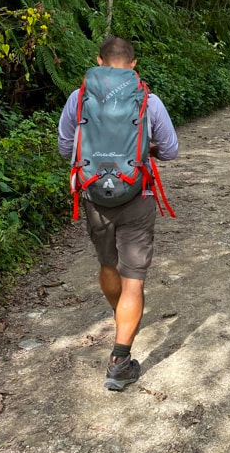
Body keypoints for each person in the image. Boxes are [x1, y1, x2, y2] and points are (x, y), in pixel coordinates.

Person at [58, 36, 179, 391]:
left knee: (108, 266)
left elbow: (67, 147)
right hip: (136, 195)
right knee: (134, 280)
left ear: (99, 61)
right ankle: (120, 359)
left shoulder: (77, 99)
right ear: (133, 64)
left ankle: (122, 315)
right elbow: (170, 151)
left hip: (95, 196)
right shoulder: (148, 101)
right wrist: (146, 148)